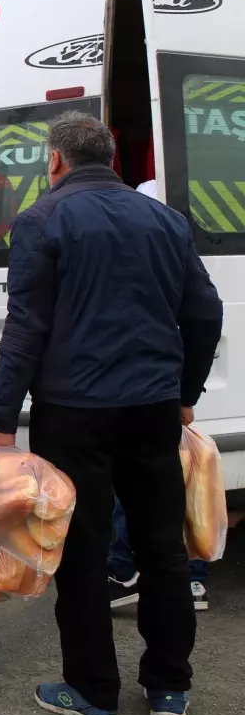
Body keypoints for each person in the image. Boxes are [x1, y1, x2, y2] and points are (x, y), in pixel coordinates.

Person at [0, 112, 223, 715]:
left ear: (55, 162)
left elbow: (26, 328)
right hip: (152, 409)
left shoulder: (41, 220)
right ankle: (171, 690)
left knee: (84, 554)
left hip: (75, 413)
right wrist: (185, 389)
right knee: (162, 549)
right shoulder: (166, 220)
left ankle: (93, 694)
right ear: (111, 160)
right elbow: (206, 313)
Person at [105, 177, 210, 614]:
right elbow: (207, 313)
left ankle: (126, 569)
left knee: (131, 482)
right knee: (172, 483)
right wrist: (188, 393)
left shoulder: (126, 257)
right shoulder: (175, 251)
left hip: (136, 388)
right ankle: (189, 575)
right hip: (170, 384)